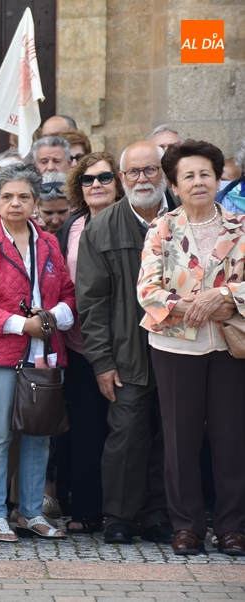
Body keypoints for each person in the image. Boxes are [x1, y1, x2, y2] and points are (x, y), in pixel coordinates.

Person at [136, 140, 245, 556]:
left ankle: (233, 526)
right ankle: (187, 526)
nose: (198, 182)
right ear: (174, 185)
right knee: (180, 440)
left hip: (229, 345)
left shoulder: (241, 226)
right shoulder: (162, 229)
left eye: (205, 174)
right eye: (188, 176)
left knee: (231, 436)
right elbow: (147, 289)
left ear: (219, 179)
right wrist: (190, 306)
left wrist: (225, 296)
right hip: (175, 346)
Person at [0, 163, 75, 542]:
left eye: (23, 197)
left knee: (39, 434)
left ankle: (31, 513)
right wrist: (19, 324)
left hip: (44, 351)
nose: (15, 203)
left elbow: (70, 294)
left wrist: (54, 316)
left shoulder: (49, 242)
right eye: (7, 196)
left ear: (35, 201)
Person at [75, 140, 177, 546]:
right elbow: (92, 301)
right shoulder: (100, 227)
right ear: (121, 179)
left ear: (163, 173)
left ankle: (158, 514)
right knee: (127, 434)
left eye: (150, 170)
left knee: (171, 435)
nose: (142, 179)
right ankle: (119, 516)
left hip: (180, 347)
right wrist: (101, 362)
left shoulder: (184, 220)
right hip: (127, 350)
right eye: (133, 172)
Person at [54, 151, 124, 534]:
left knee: (125, 430)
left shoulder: (132, 222)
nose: (96, 184)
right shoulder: (74, 224)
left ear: (119, 181)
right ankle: (85, 508)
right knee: (84, 429)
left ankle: (124, 512)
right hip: (79, 344)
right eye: (87, 179)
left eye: (105, 177)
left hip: (125, 343)